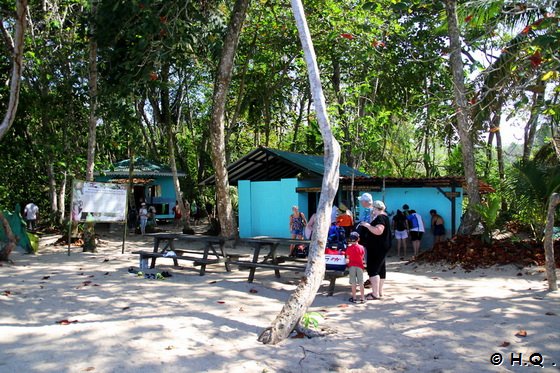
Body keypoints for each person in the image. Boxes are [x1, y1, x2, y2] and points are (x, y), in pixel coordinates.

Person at [359, 200, 391, 300]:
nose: (372, 210)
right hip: (381, 246)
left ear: (376, 208)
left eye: (373, 208)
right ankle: (379, 292)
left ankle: (375, 294)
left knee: (373, 269)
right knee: (381, 269)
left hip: (377, 247)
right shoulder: (384, 217)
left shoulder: (380, 217)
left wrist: (367, 225)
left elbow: (379, 231)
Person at [346, 232, 366, 303]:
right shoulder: (361, 247)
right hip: (360, 266)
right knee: (361, 282)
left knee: (353, 283)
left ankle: (354, 297)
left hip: (351, 266)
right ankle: (362, 297)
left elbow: (347, 259)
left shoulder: (348, 248)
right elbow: (362, 257)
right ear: (358, 239)